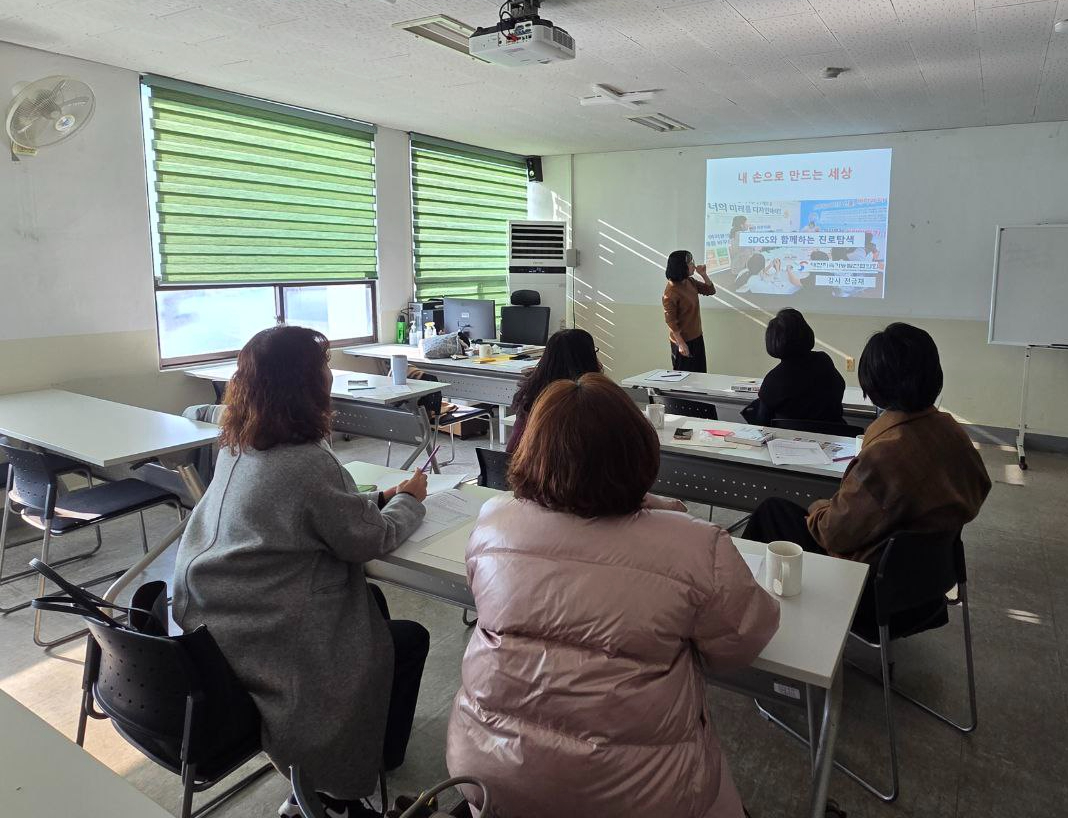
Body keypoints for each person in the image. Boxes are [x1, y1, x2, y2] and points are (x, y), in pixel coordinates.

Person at [447, 374, 780, 818]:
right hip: (640, 796)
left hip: (490, 780)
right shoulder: (694, 544)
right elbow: (744, 642)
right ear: (638, 453)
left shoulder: (493, 521)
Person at [172, 326, 431, 818]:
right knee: (404, 639)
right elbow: (369, 540)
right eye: (324, 368)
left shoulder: (237, 443)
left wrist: (374, 499)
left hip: (215, 619)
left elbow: (302, 512)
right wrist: (408, 503)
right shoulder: (308, 463)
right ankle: (343, 787)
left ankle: (357, 761)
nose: (331, 376)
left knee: (375, 611)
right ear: (305, 386)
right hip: (274, 641)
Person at [742, 323, 991, 629]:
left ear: (874, 385)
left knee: (772, 512)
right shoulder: (952, 431)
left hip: (874, 598)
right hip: (929, 588)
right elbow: (980, 486)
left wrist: (818, 508)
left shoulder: (885, 455)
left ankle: (742, 610)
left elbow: (834, 533)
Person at [742, 308, 846, 426]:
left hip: (788, 441)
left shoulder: (774, 379)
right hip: (834, 438)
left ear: (772, 341)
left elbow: (762, 423)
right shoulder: (824, 361)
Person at [506, 327, 602, 452]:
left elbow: (511, 449)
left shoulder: (531, 393)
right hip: (554, 468)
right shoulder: (592, 399)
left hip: (526, 466)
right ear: (587, 360)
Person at [662, 249, 716, 372]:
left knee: (700, 374)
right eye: (690, 263)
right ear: (681, 266)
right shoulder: (671, 292)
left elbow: (710, 290)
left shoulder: (689, 281)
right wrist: (681, 343)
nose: (693, 265)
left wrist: (703, 274)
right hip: (682, 341)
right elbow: (670, 321)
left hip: (696, 337)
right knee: (684, 379)